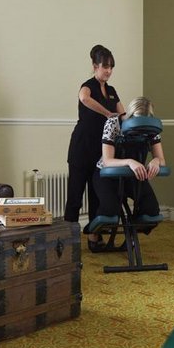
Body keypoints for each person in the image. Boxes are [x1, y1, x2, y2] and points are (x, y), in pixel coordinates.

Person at [64, 45, 125, 251]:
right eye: (105, 66)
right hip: (81, 149)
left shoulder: (112, 91)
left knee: (96, 198)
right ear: (95, 66)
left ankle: (94, 238)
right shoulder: (87, 86)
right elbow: (84, 98)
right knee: (75, 197)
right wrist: (107, 113)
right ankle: (68, 244)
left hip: (101, 152)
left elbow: (123, 115)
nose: (108, 71)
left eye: (111, 67)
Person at [91, 96, 166, 244]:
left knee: (151, 212)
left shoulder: (151, 128)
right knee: (110, 212)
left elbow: (161, 159)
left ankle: (131, 232)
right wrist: (130, 162)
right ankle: (93, 235)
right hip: (107, 175)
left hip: (134, 176)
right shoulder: (113, 123)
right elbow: (107, 161)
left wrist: (156, 161)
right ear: (130, 115)